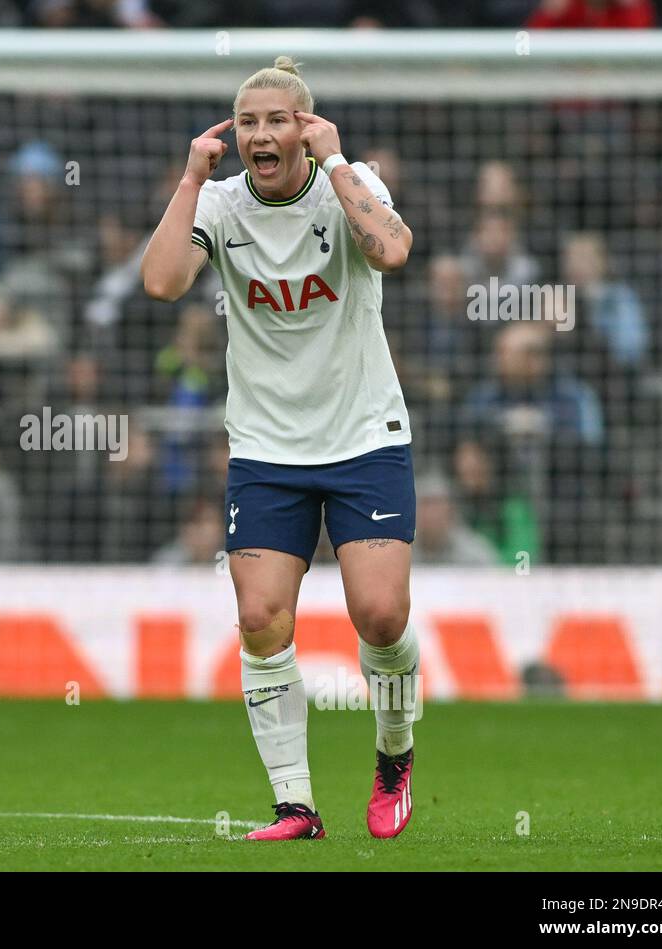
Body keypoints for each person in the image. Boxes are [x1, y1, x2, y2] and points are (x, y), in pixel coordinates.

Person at [141, 56, 419, 841]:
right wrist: (190, 181)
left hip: (364, 433)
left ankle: (394, 752)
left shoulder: (349, 181)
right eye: (249, 122)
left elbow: (393, 251)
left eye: (278, 120)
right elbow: (161, 282)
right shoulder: (222, 204)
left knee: (380, 614)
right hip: (267, 446)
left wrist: (335, 162)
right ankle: (295, 803)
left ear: (305, 126)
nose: (262, 134)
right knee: (261, 617)